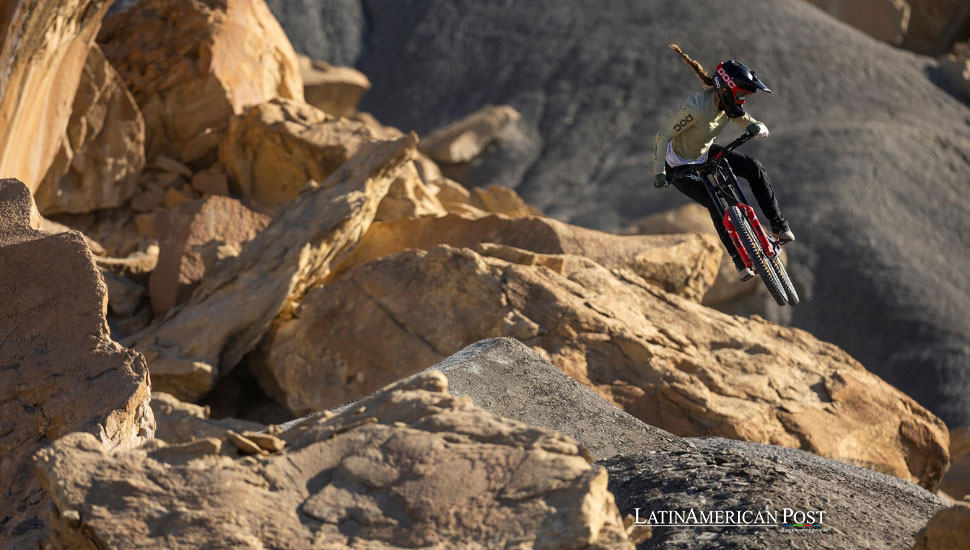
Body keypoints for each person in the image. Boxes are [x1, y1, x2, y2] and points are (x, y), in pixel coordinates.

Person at [654, 44, 794, 281]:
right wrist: (659, 172)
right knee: (714, 202)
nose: (743, 100)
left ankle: (778, 224)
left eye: (745, 96)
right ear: (726, 90)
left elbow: (739, 116)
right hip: (678, 166)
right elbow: (662, 135)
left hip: (704, 153)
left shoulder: (727, 103)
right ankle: (739, 260)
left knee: (754, 168)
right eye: (741, 95)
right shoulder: (696, 109)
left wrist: (754, 125)